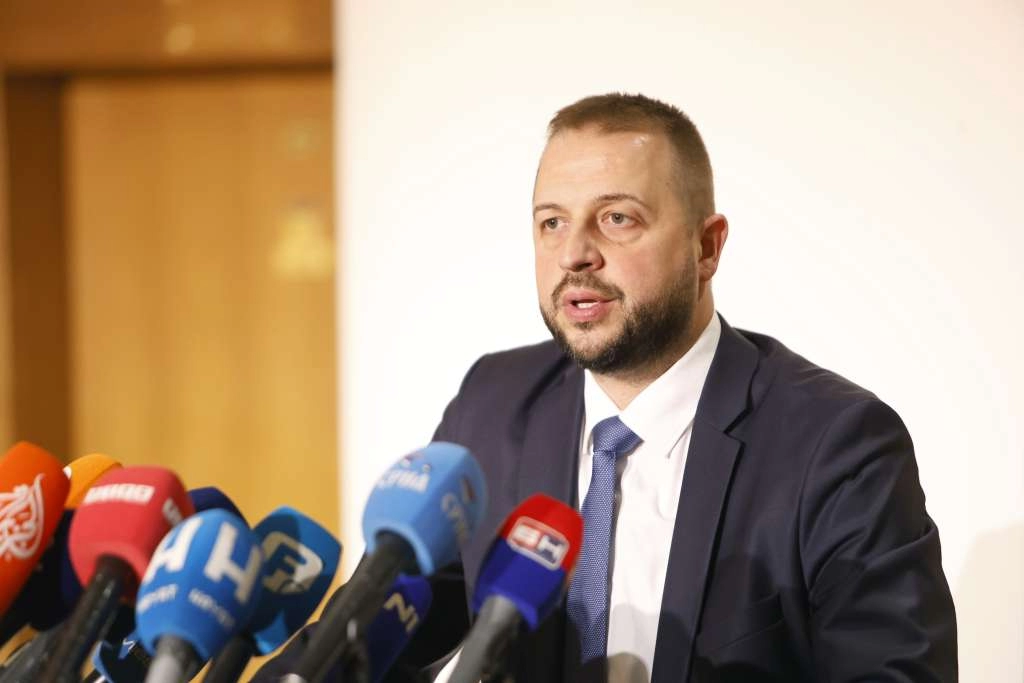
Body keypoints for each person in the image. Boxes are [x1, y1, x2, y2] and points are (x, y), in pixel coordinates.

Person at [255, 93, 957, 682]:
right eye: (551, 222)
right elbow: (382, 626)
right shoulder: (493, 405)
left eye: (617, 218)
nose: (573, 253)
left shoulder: (836, 444)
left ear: (706, 247)